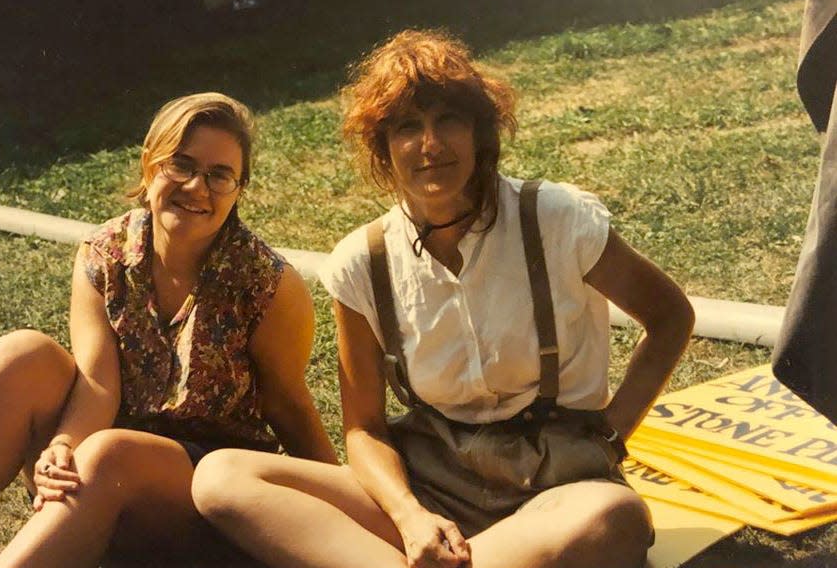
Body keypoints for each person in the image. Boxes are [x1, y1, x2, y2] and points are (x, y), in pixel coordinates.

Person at [189, 30, 695, 568]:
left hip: (556, 484)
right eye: (408, 127)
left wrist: (612, 433)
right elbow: (363, 428)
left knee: (613, 518)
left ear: (480, 132)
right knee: (223, 477)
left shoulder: (556, 218)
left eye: (448, 119)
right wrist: (410, 518)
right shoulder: (363, 262)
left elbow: (670, 317)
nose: (431, 144)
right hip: (431, 485)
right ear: (383, 148)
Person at [0, 92, 337, 568]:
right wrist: (65, 445)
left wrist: (345, 506)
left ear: (240, 188)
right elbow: (97, 382)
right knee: (20, 356)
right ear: (149, 165)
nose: (197, 187)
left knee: (113, 452)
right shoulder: (106, 253)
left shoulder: (268, 283)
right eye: (181, 164)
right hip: (104, 460)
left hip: (204, 485)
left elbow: (290, 407)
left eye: (220, 174)